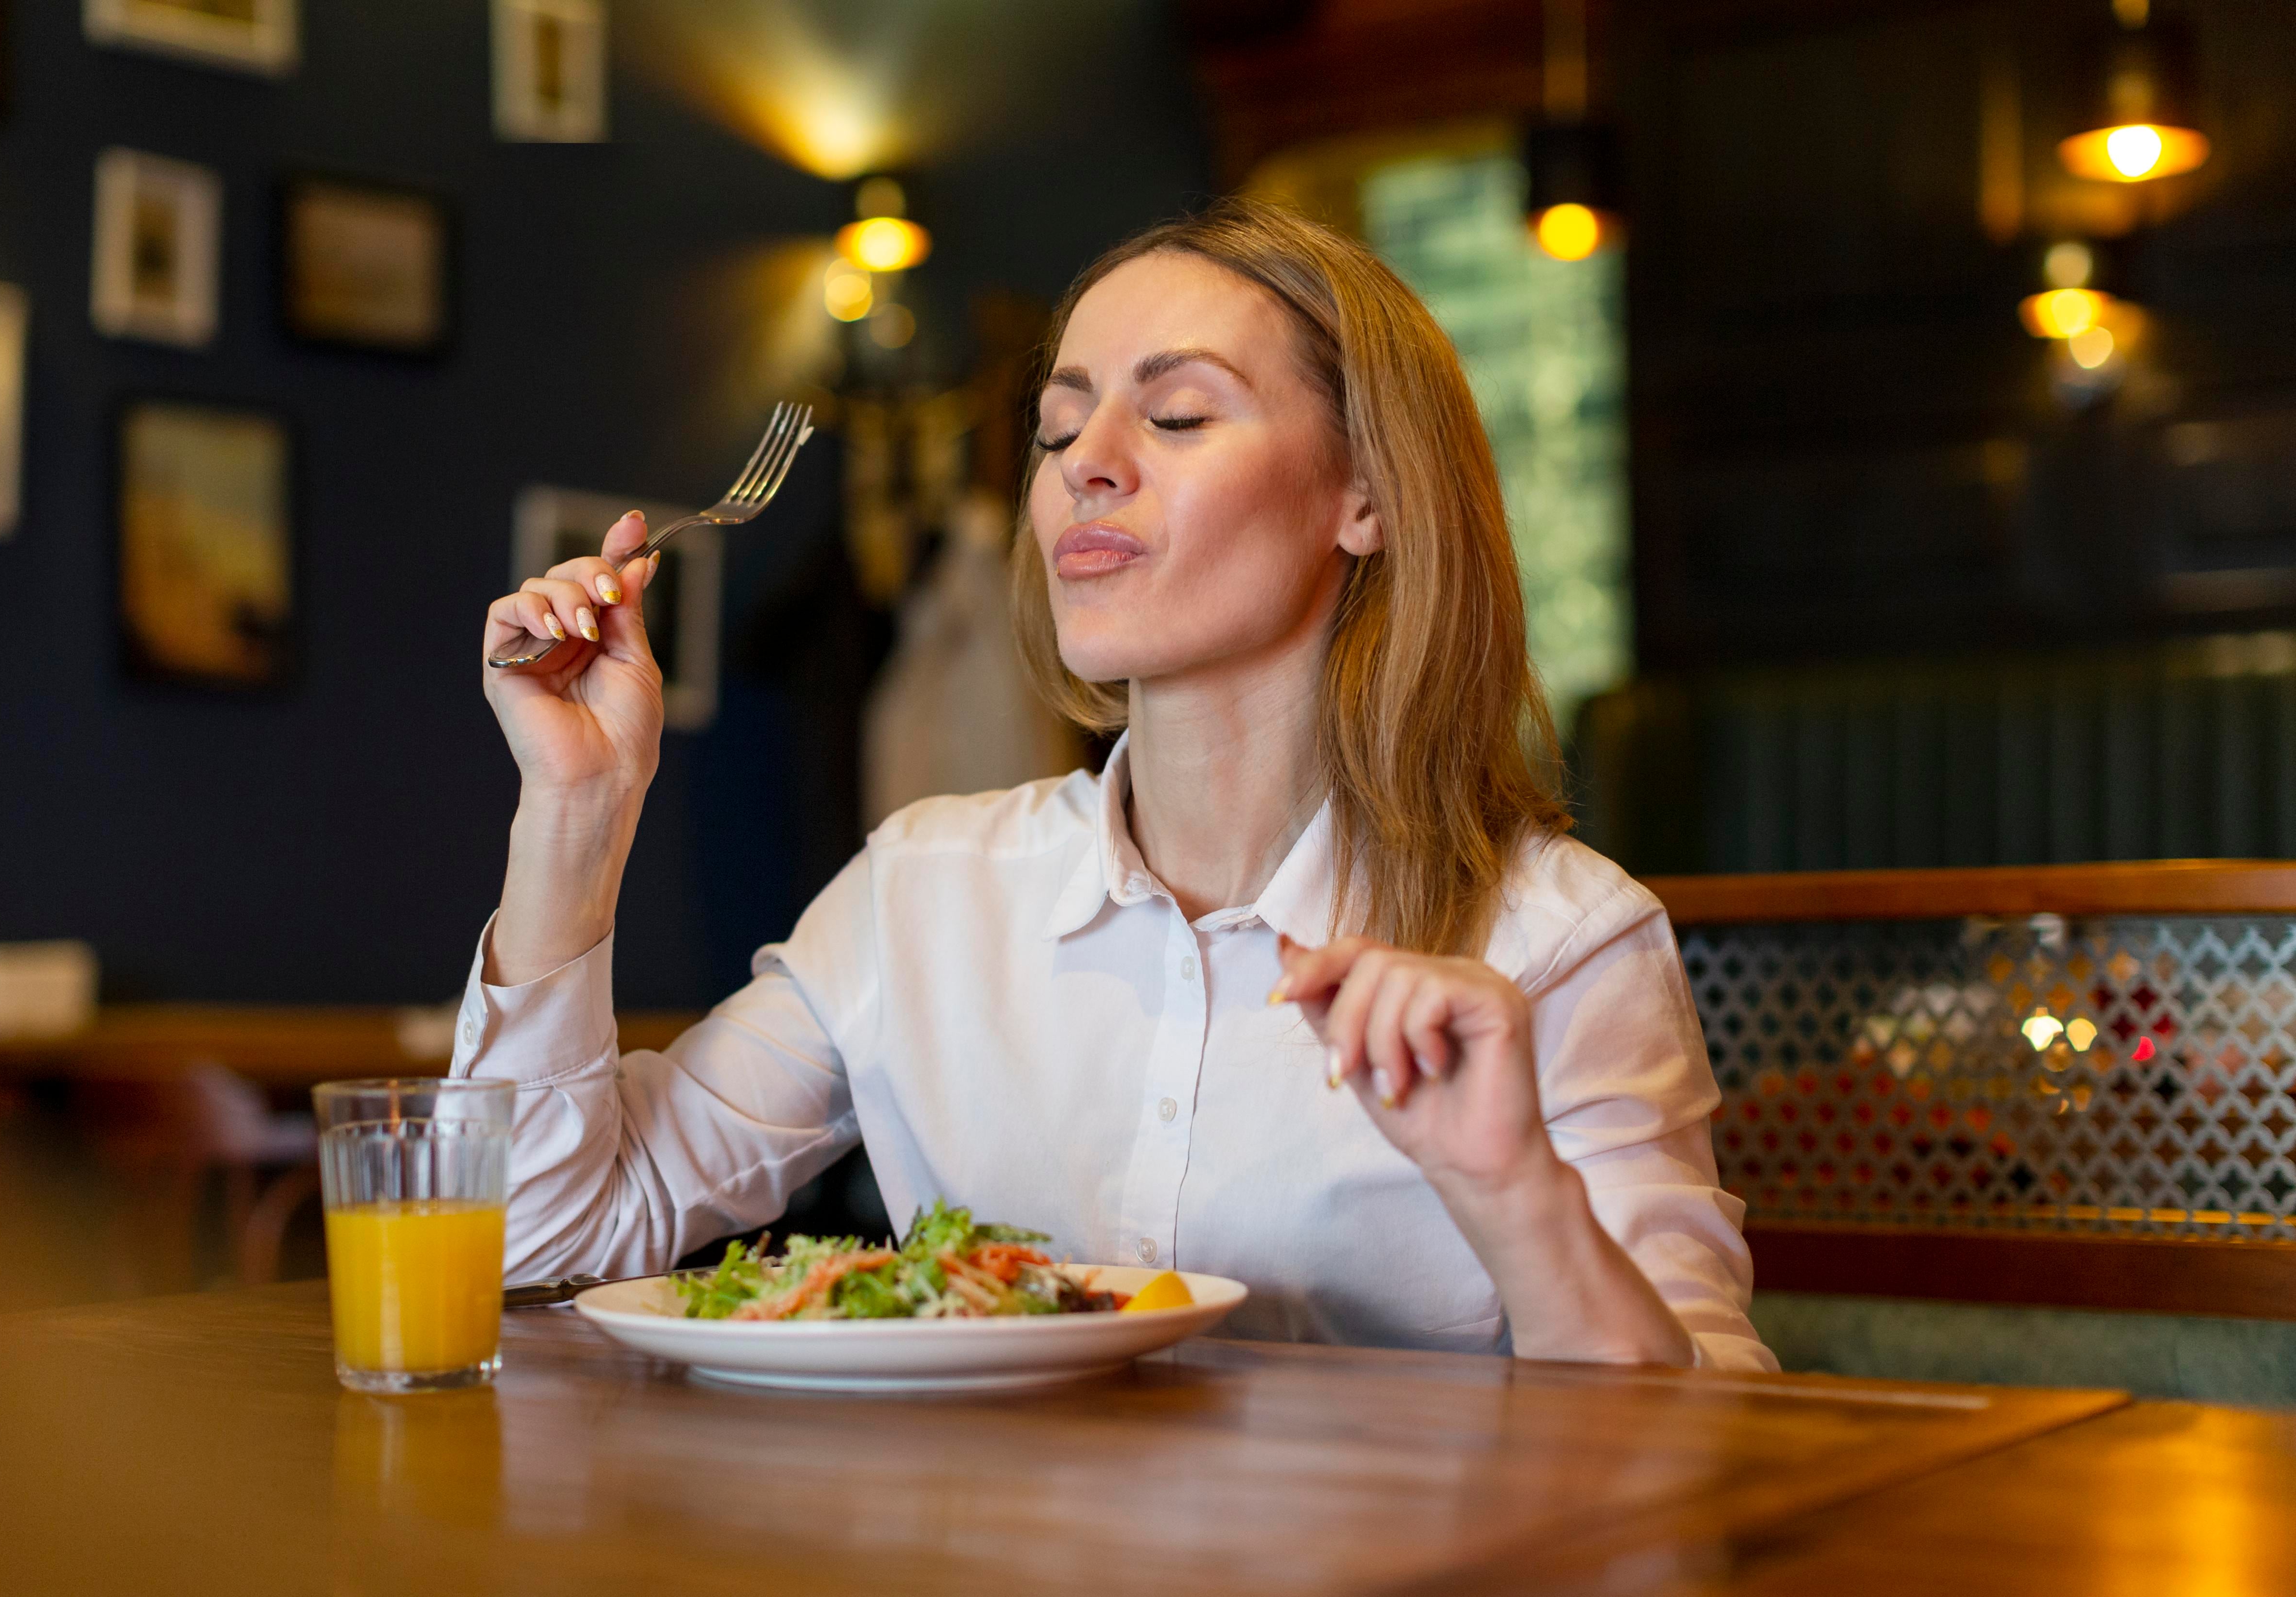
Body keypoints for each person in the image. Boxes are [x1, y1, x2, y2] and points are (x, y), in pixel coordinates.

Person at [459, 198, 1773, 1369]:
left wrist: (1519, 1195)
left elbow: (1704, 1456)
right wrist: (578, 809)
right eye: (1058, 426)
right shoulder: (923, 889)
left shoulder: (1564, 943)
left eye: (1179, 414)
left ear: (1366, 497)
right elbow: (538, 1240)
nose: (1085, 459)